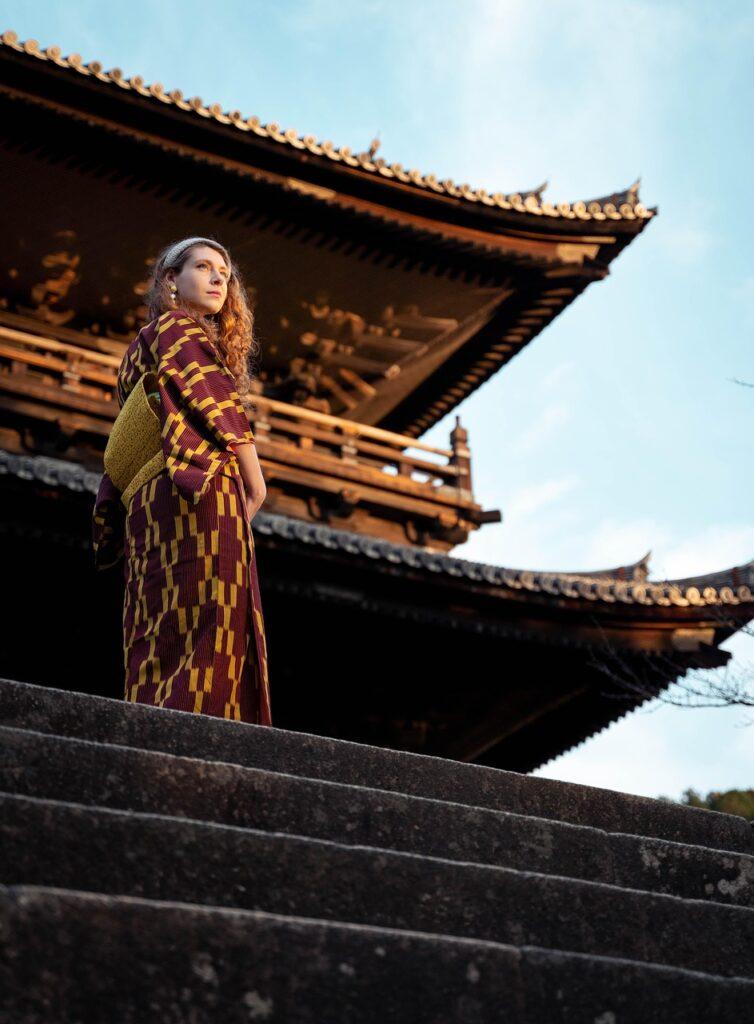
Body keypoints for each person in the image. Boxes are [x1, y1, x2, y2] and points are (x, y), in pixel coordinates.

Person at [92, 236, 271, 725]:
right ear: (171, 280)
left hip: (148, 501)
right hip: (199, 486)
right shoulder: (179, 330)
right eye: (204, 267)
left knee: (159, 619)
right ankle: (207, 734)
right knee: (216, 616)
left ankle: (152, 722)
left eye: (225, 273)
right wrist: (255, 483)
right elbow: (218, 403)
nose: (219, 279)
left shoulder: (139, 347)